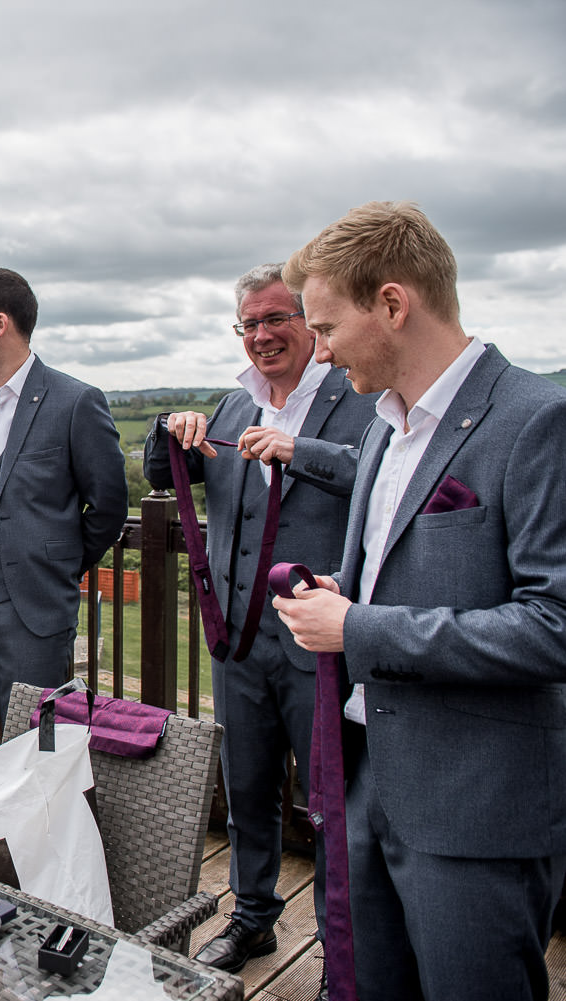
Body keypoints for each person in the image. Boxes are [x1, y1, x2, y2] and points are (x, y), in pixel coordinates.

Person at [273, 201, 566, 1001]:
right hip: (370, 788)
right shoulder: (381, 427)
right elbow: (399, 574)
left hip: (476, 810)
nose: (321, 354)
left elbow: (554, 626)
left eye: (328, 328)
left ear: (394, 304)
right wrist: (347, 591)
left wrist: (358, 625)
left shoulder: (537, 420)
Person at [143, 264, 375, 978]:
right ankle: (253, 918)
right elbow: (162, 474)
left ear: (311, 323)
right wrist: (169, 429)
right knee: (245, 788)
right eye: (249, 323)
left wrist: (296, 449)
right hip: (238, 642)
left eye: (277, 318)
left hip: (322, 642)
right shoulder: (233, 406)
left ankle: (347, 945)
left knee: (333, 802)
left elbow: (378, 468)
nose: (262, 335)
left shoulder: (356, 398)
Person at [0, 268, 127, 771]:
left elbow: (107, 508)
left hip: (33, 615)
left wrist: (55, 567)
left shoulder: (75, 401)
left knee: (34, 764)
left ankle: (31, 854)